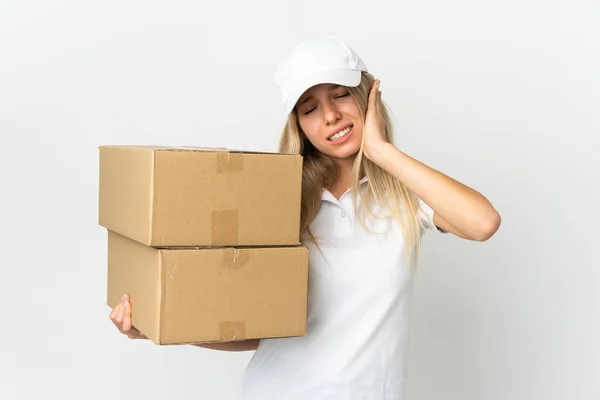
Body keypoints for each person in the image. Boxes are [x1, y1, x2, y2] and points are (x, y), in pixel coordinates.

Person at [109, 35, 501, 399]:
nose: (330, 116)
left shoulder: (405, 194)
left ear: (369, 97)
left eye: (341, 95)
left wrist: (382, 152)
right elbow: (259, 330)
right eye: (309, 108)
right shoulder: (278, 201)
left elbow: (482, 223)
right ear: (299, 125)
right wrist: (160, 326)